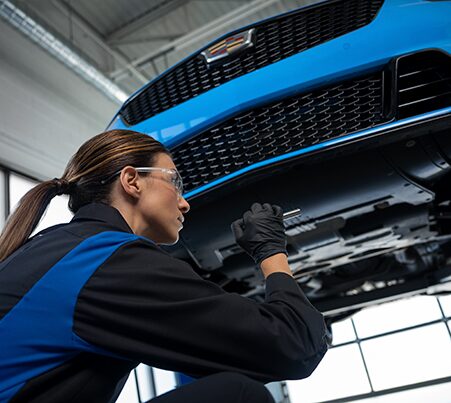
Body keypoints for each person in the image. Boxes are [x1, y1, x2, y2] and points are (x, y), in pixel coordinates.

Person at [0, 129, 327, 403]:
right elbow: (293, 346)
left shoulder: (57, 248)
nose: (184, 202)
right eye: (175, 182)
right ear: (132, 181)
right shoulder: (107, 260)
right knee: (235, 396)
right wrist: (271, 252)